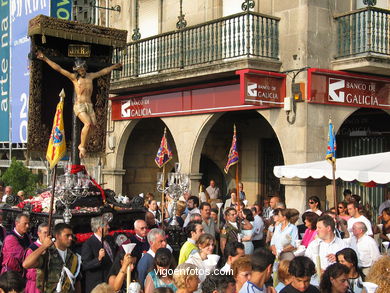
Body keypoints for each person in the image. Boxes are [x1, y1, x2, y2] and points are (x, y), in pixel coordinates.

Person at [36, 50, 122, 158]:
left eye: (83, 69)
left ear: (85, 68)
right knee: (87, 124)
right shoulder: (74, 78)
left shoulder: (90, 76)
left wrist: (114, 67)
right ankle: (81, 146)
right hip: (79, 105)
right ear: (77, 70)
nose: (81, 71)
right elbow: (59, 69)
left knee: (94, 126)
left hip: (89, 105)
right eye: (80, 69)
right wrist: (44, 58)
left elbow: (103, 72)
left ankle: (84, 144)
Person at [23, 223, 82, 293]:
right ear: (57, 236)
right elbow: (26, 264)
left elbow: (77, 281)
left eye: (71, 235)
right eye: (67, 235)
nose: (71, 238)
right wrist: (43, 246)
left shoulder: (74, 257)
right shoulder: (47, 254)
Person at [81, 216, 115, 293]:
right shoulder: (88, 244)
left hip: (109, 283)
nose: (109, 227)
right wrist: (98, 259)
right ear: (100, 228)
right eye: (106, 225)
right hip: (97, 286)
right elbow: (85, 265)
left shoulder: (109, 239)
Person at [25, 223, 49, 293]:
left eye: (49, 232)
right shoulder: (32, 249)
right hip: (35, 285)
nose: (47, 235)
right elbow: (31, 272)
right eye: (45, 232)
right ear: (39, 233)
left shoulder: (51, 247)